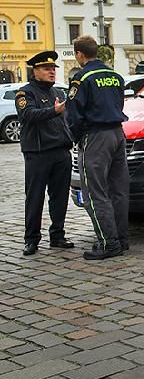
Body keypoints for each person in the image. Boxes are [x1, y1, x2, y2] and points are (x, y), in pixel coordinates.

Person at [67, 36, 129, 260]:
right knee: (118, 190)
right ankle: (121, 239)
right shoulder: (115, 76)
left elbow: (73, 114)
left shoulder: (81, 78)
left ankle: (108, 242)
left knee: (95, 192)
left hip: (95, 137)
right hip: (117, 133)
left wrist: (76, 138)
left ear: (79, 54)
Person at [15, 51, 75, 256]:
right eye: (47, 69)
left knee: (59, 197)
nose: (52, 72)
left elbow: (65, 118)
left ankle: (57, 235)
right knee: (35, 197)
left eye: (53, 69)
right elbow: (28, 114)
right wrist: (54, 111)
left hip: (61, 151)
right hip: (38, 153)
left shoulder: (57, 92)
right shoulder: (25, 93)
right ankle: (31, 239)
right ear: (35, 71)